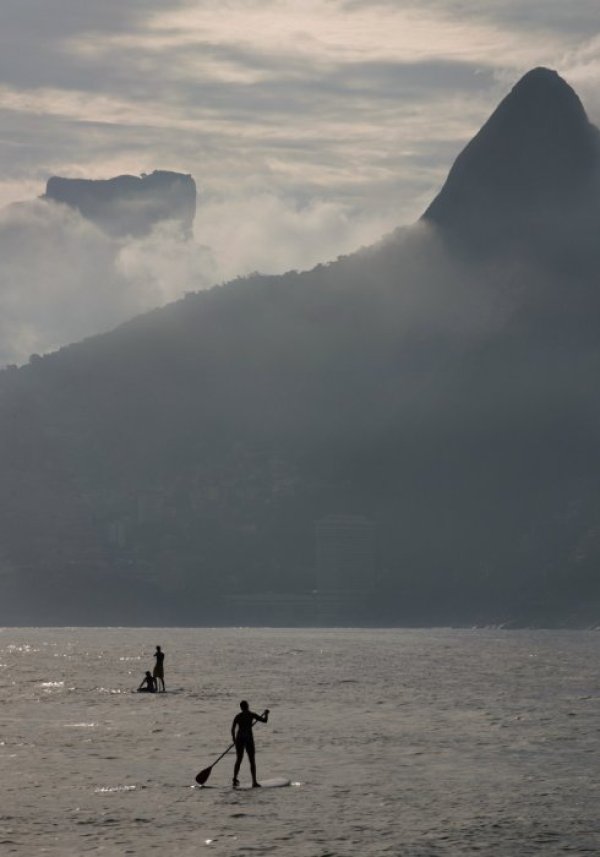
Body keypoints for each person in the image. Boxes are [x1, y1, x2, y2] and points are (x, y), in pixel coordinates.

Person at [231, 700, 269, 788]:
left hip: (239, 739)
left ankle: (234, 779)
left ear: (241, 708)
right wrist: (266, 713)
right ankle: (254, 782)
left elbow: (232, 729)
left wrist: (234, 739)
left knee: (239, 759)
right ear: (247, 706)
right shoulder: (251, 714)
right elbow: (265, 720)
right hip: (248, 739)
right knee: (252, 760)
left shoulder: (238, 716)